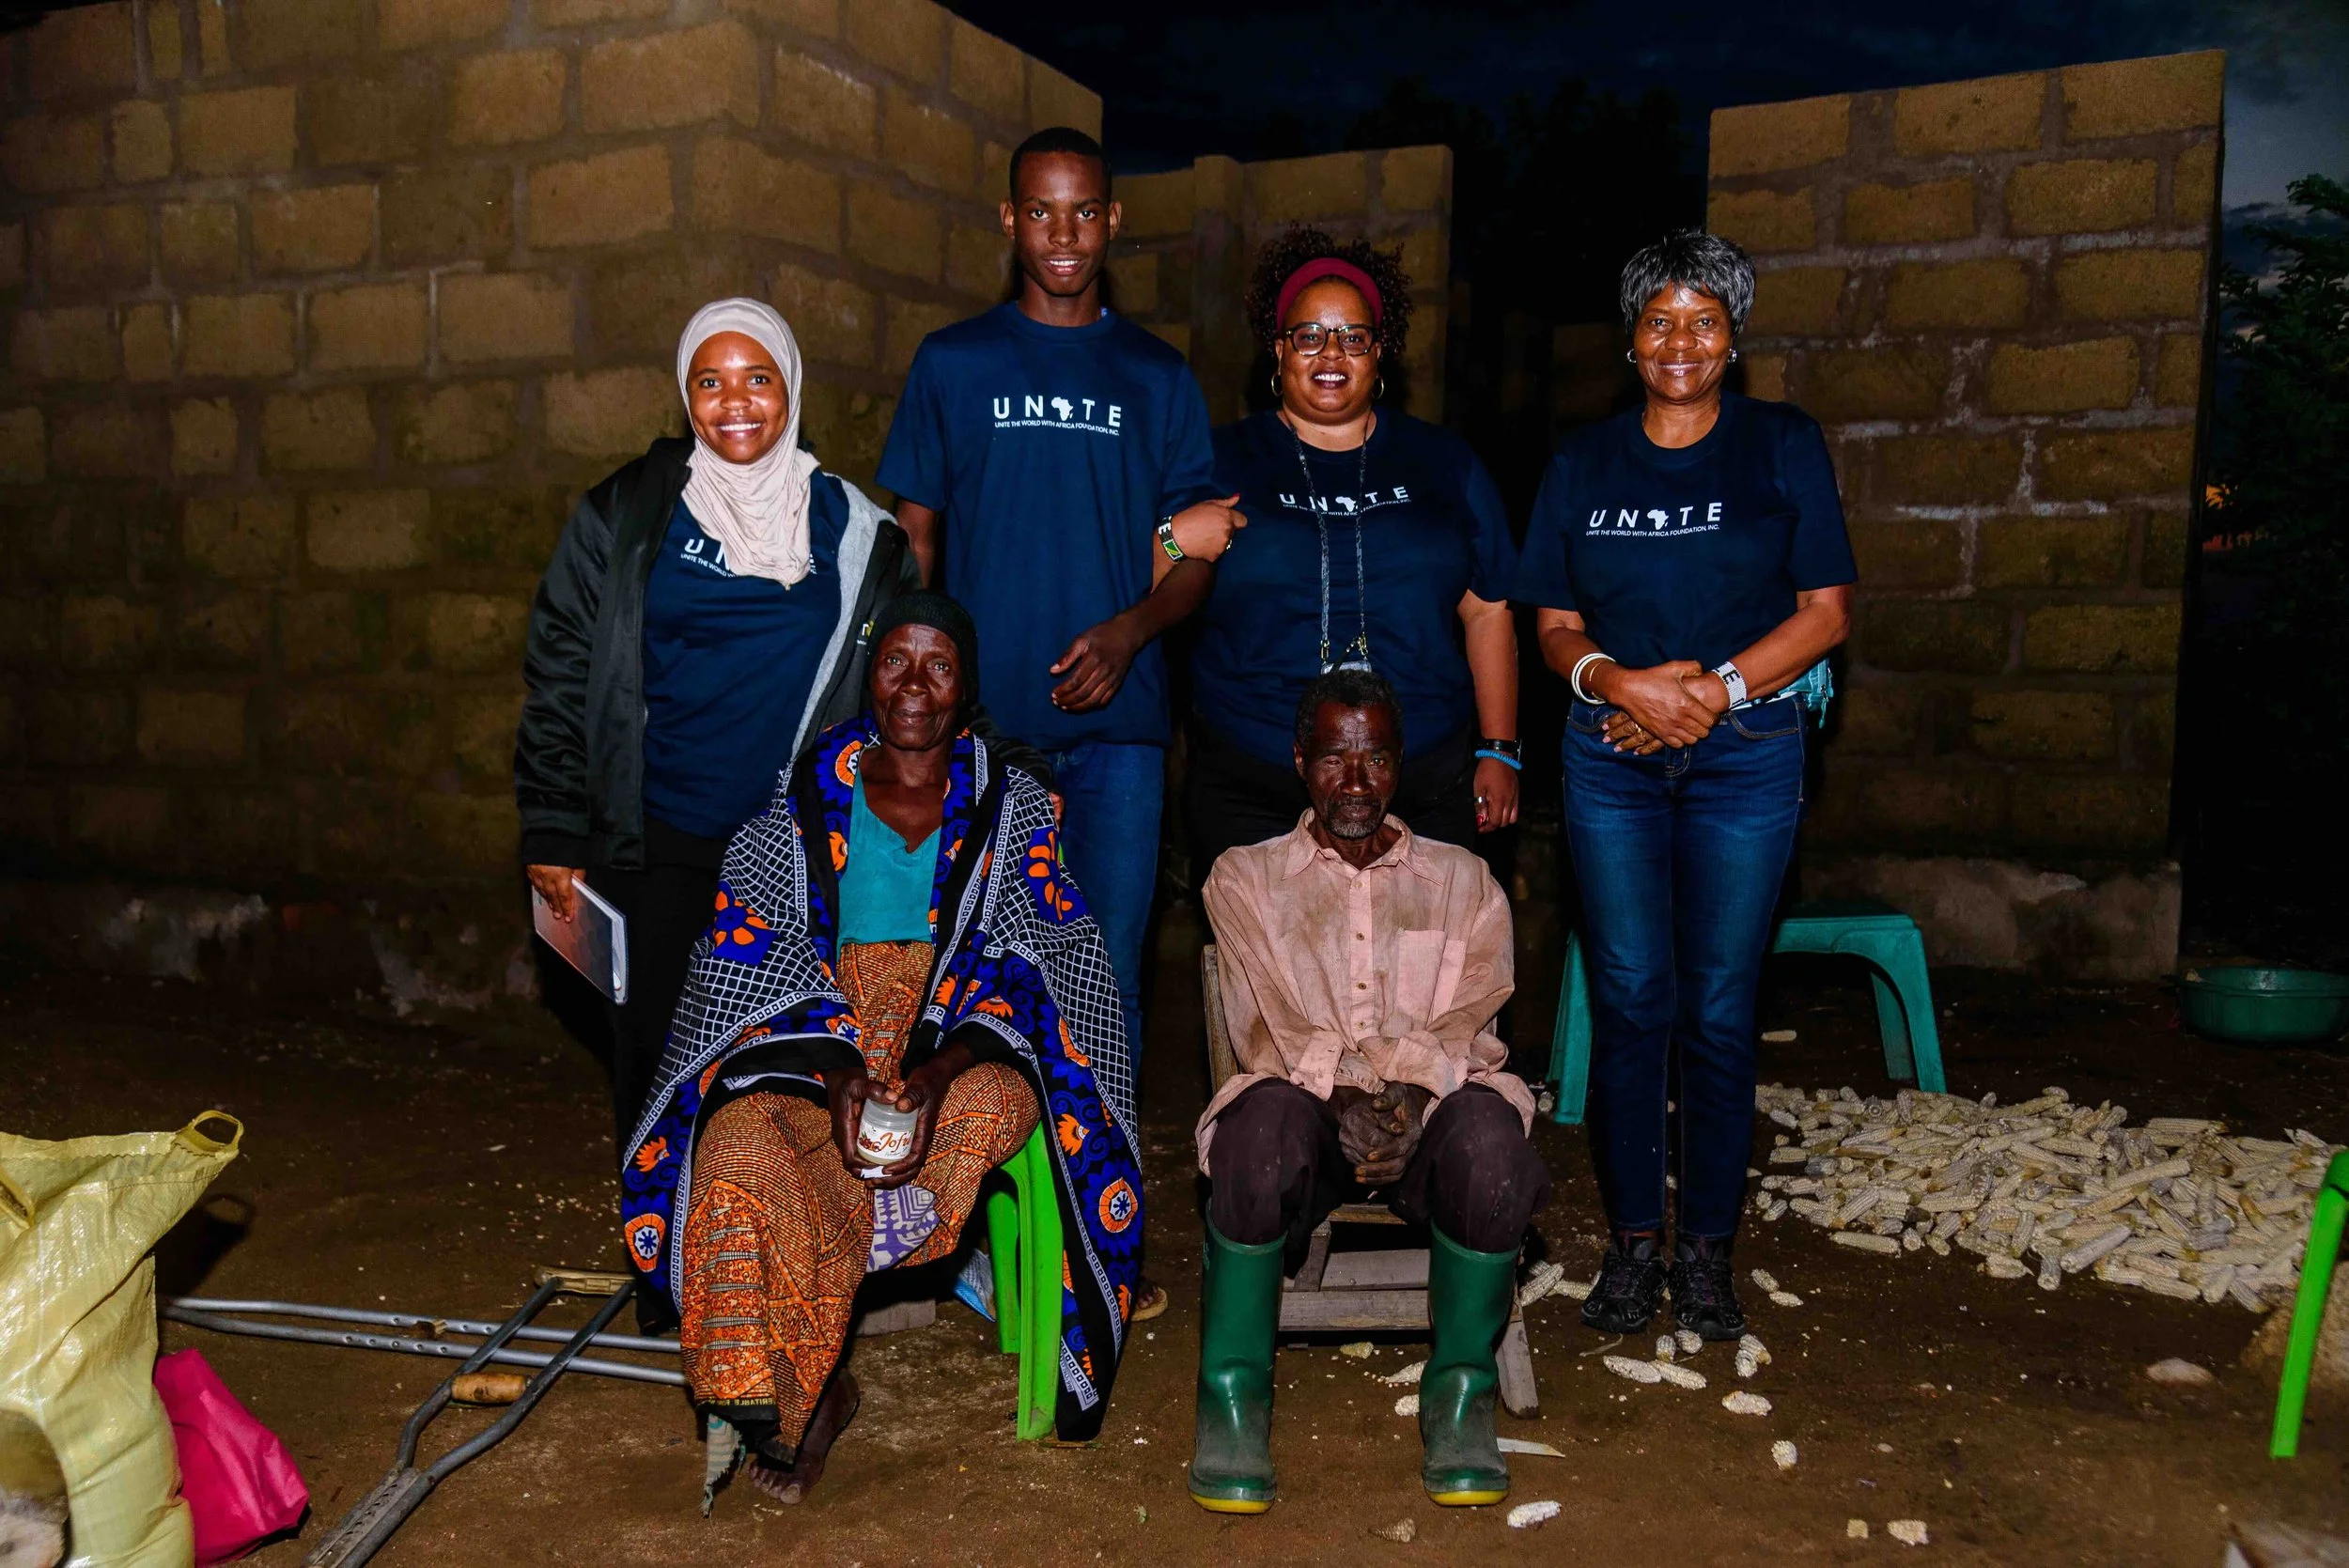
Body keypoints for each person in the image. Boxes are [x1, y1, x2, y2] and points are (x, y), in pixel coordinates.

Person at [617, 596, 1143, 1499]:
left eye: (938, 666)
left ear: (965, 684)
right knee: (739, 1146)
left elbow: (1045, 952)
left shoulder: (1012, 812)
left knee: (977, 1120)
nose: (914, 684)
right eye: (896, 660)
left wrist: (937, 1069)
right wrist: (836, 1066)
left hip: (964, 1048)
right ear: (870, 672)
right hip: (821, 1040)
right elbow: (754, 949)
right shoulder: (804, 803)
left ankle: (816, 1358)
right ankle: (802, 1391)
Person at [515, 299, 1045, 1151]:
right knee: (657, 1073)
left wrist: (1016, 772)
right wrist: (552, 822)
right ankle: (668, 1276)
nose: (735, 402)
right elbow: (561, 668)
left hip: (790, 851)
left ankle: (762, 1265)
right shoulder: (627, 516)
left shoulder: (859, 534)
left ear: (789, 387)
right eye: (709, 382)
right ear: (685, 397)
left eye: (757, 378)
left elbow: (914, 679)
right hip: (657, 842)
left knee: (779, 1073)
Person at [1513, 229, 1856, 1340]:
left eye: (1703, 320)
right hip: (1608, 754)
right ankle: (1630, 1246)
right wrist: (1620, 680)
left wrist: (1704, 691)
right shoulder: (1582, 464)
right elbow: (1553, 626)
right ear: (1630, 339)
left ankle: (1706, 1252)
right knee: (1629, 1005)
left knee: (1715, 1007)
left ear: (1733, 337)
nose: (1680, 340)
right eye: (1659, 320)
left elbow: (1823, 613)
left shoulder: (1780, 444)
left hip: (1745, 752)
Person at [877, 126, 1245, 1079]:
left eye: (1084, 211)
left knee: (1105, 976)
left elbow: (1197, 554)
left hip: (1120, 734)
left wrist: (1131, 631)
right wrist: (918, 697)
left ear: (1112, 219)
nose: (1064, 233)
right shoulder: (953, 362)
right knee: (978, 976)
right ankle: (990, 1203)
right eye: (1041, 211)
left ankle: (1096, 1207)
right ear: (1010, 220)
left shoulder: (1155, 376)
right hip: (987, 731)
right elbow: (912, 541)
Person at [1188, 670, 1548, 1514]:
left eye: (1376, 759)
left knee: (1493, 1140)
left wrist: (1416, 1102)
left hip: (1428, 1121)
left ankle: (1459, 1399)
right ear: (1299, 759)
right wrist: (1347, 1097)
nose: (1356, 783)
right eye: (1334, 760)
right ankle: (1233, 1401)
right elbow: (1266, 1026)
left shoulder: (1465, 883)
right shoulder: (1244, 878)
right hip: (1310, 1124)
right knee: (1256, 1127)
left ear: (1400, 764)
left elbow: (1471, 1022)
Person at [1187, 230, 1521, 871]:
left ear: (1380, 353)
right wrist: (1174, 534)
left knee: (1427, 966)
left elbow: (1488, 610)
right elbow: (1151, 582)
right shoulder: (1217, 458)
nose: (1331, 352)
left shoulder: (1443, 461)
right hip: (1256, 778)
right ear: (1278, 351)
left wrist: (1499, 748)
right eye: (1309, 335)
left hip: (1423, 777)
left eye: (1354, 337)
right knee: (1271, 971)